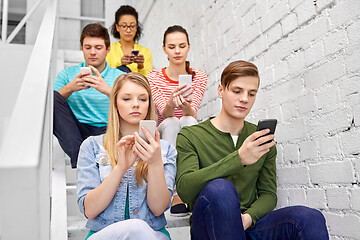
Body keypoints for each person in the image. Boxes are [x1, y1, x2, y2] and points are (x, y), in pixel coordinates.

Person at [176, 60, 329, 239]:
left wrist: (248, 218)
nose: (244, 99)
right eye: (237, 91)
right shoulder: (191, 135)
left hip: (248, 225)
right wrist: (238, 158)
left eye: (251, 94)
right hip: (209, 226)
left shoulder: (261, 139)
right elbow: (185, 189)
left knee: (309, 217)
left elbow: (268, 194)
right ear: (220, 90)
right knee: (220, 188)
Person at [77, 72, 176, 240]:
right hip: (105, 233)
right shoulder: (92, 146)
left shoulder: (165, 150)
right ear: (115, 103)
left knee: (138, 228)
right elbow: (90, 210)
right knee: (134, 226)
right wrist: (121, 168)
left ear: (149, 105)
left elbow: (158, 208)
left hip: (152, 233)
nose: (136, 105)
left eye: (143, 99)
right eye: (127, 99)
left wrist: (154, 162)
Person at [147, 25, 207, 216]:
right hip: (166, 125)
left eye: (182, 46)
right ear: (164, 49)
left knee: (188, 121)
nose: (177, 51)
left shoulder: (199, 76)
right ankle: (174, 193)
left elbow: (193, 112)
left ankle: (188, 188)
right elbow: (164, 114)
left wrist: (185, 105)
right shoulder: (154, 77)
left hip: (188, 124)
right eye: (172, 47)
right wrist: (172, 103)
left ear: (188, 47)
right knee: (173, 122)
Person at [53, 23, 124, 168]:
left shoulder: (120, 76)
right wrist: (70, 88)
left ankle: (85, 161)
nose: (92, 52)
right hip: (76, 132)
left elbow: (132, 106)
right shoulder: (67, 74)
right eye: (88, 47)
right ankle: (81, 157)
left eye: (98, 48)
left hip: (108, 129)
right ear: (81, 48)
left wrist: (107, 90)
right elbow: (50, 105)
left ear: (108, 49)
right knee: (52, 97)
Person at [106, 5, 153, 76]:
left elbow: (149, 80)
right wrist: (119, 62)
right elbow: (105, 74)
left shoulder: (146, 52)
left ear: (136, 28)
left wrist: (140, 67)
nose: (128, 30)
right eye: (124, 26)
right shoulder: (109, 50)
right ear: (117, 27)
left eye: (132, 26)